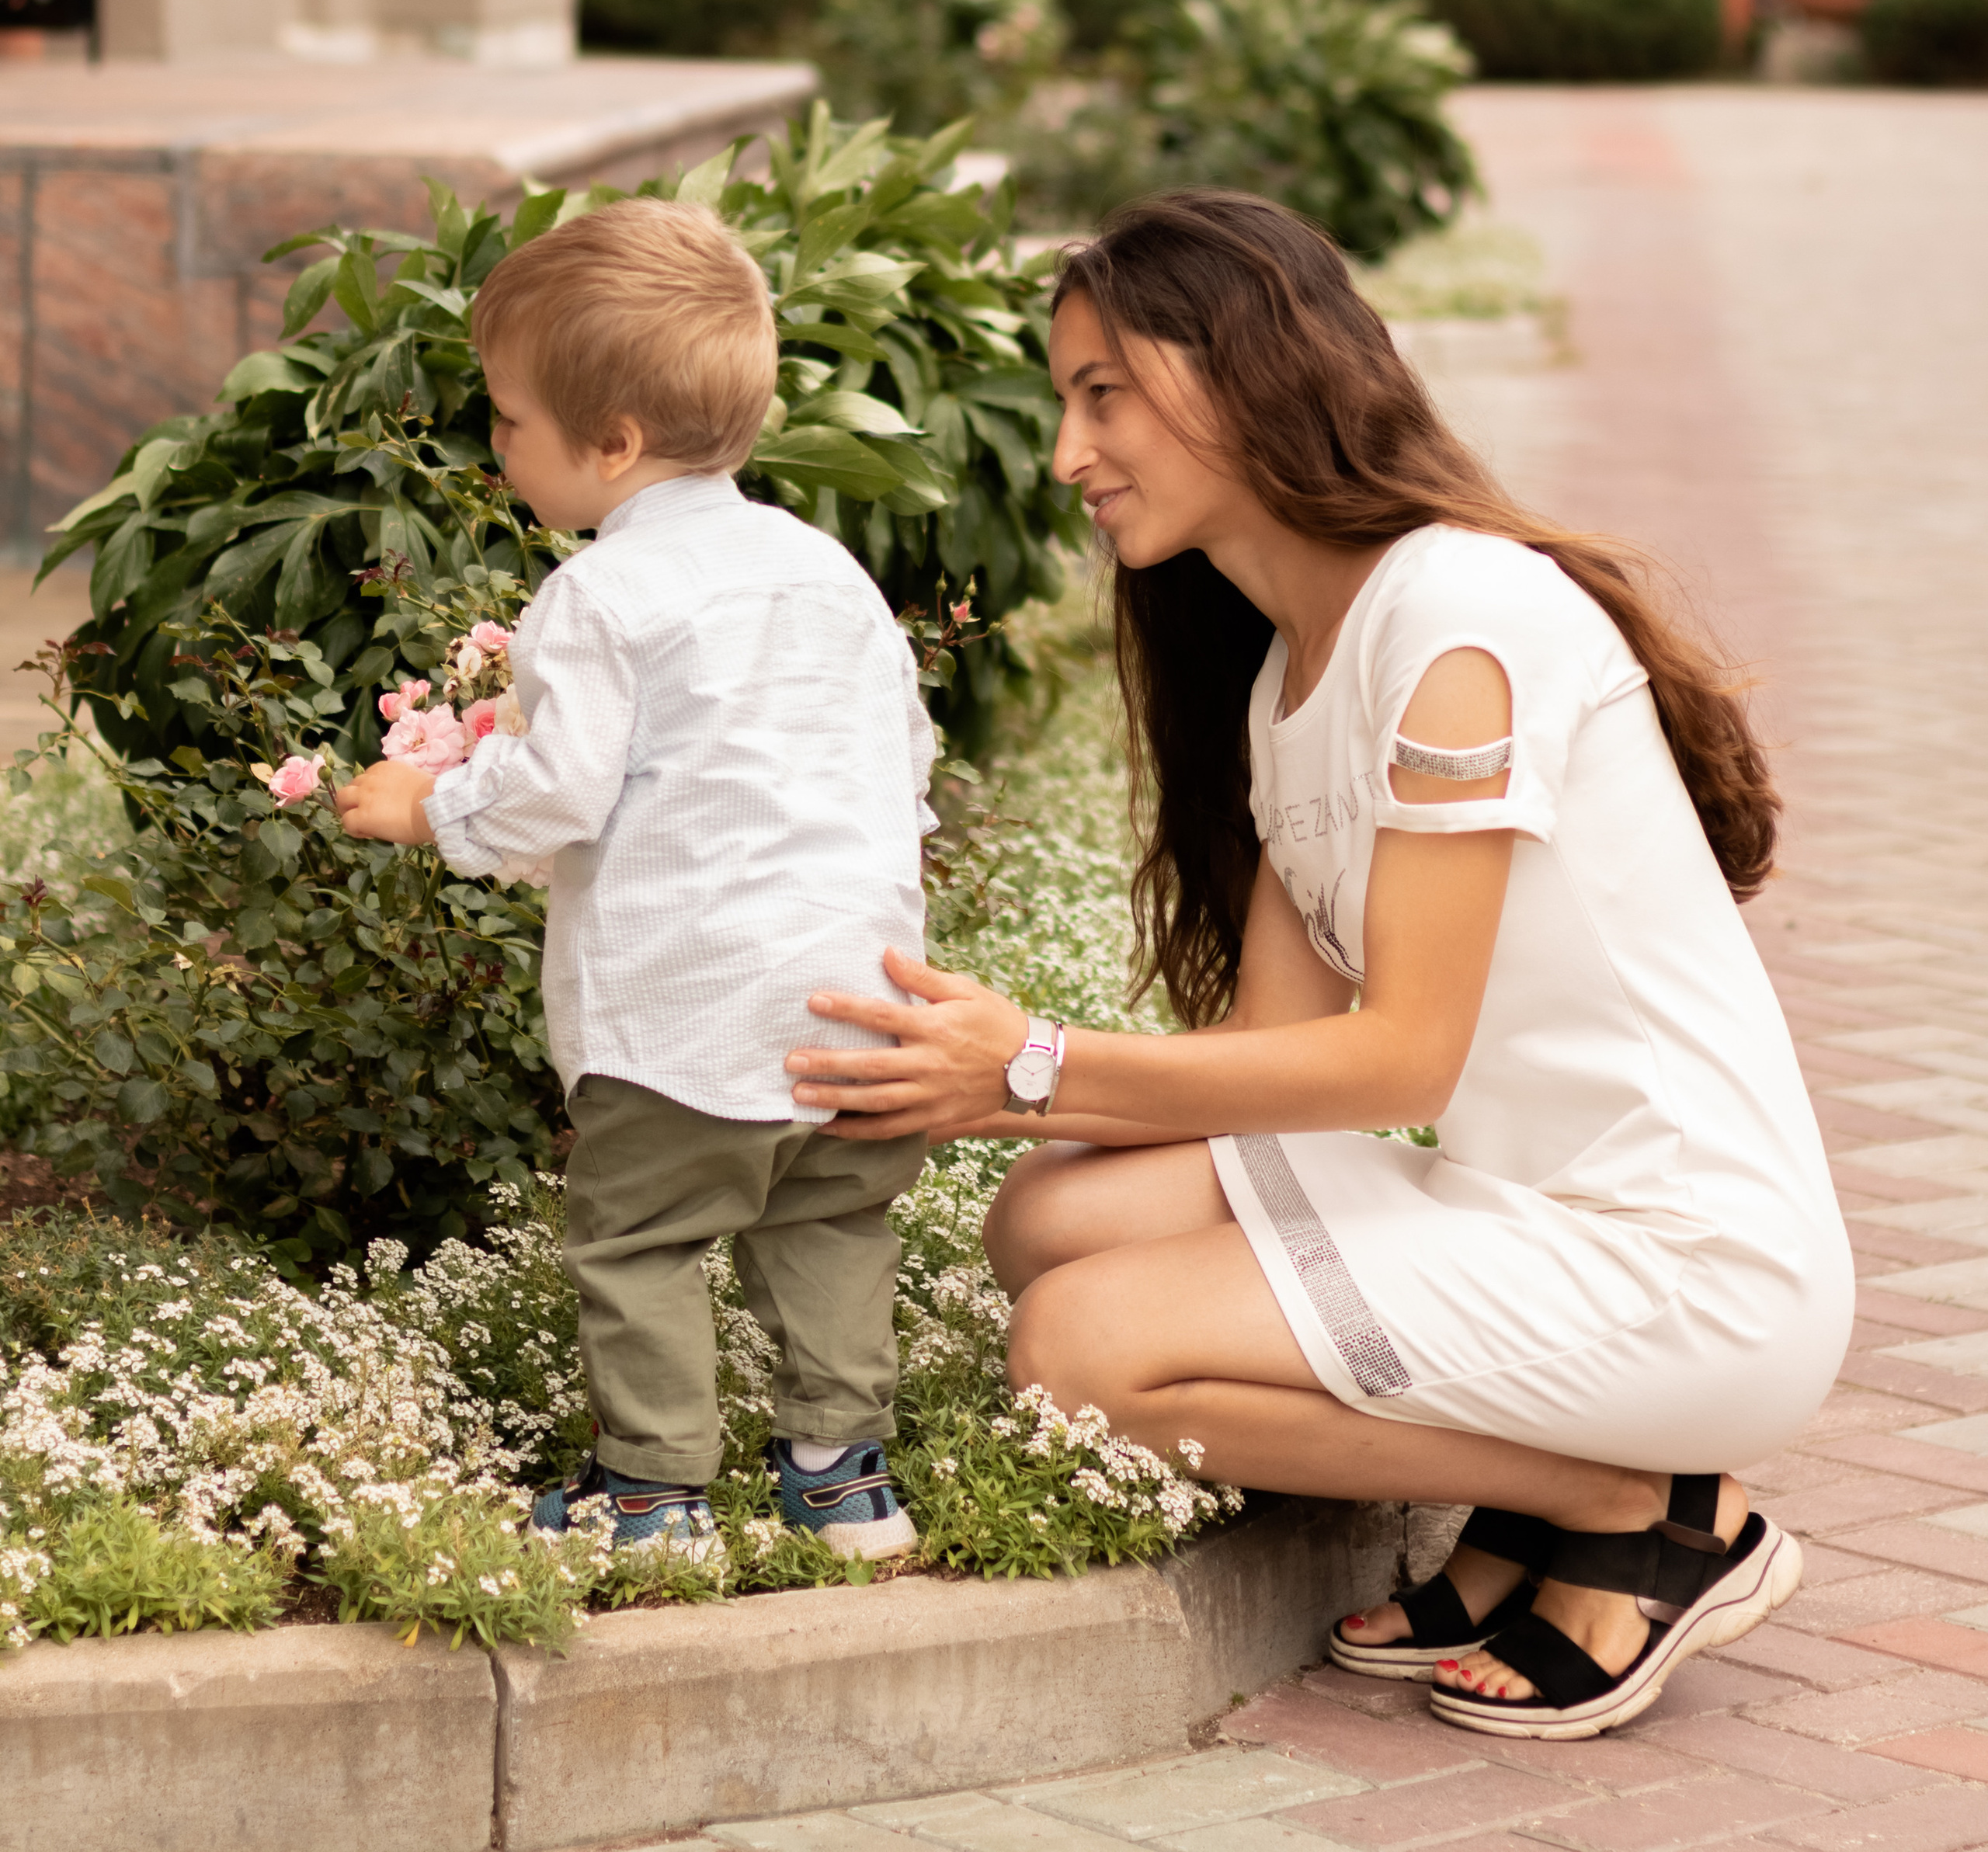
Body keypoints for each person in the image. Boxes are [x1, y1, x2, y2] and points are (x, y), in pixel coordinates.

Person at [781, 188, 1854, 1740]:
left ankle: (1648, 1509)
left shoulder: (1454, 621)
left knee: (1078, 1355)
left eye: (1104, 394)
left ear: (1240, 371)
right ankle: (1538, 1505)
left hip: (1686, 1263)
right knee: (1055, 1216)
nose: (1070, 455)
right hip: (1527, 1212)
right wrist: (938, 1087)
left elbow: (1396, 1060)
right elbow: (1282, 1066)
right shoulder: (1295, 667)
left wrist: (1029, 1062)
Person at [336, 197, 935, 1564]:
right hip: (860, 999)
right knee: (835, 1219)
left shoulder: (600, 597)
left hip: (689, 1013)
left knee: (642, 1242)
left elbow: (558, 791)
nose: (497, 446)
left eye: (508, 421)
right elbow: (904, 753)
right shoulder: (824, 569)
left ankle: (655, 1499)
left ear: (608, 444)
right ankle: (846, 1488)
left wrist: (432, 805)